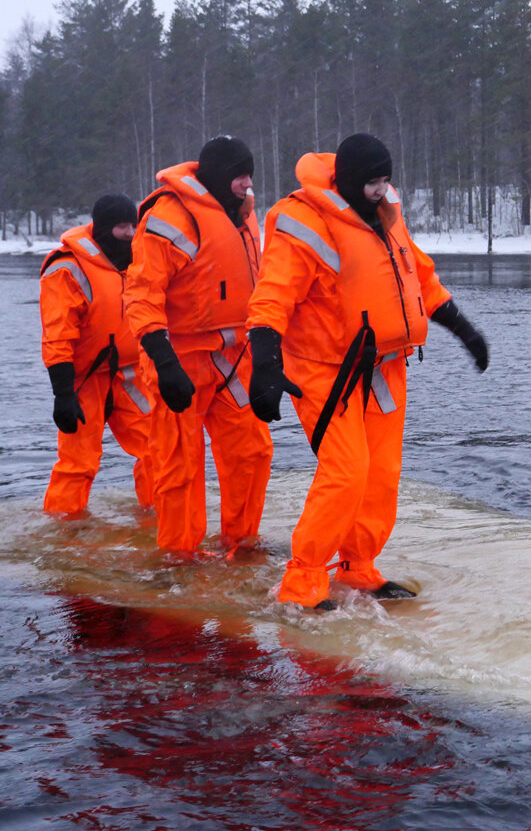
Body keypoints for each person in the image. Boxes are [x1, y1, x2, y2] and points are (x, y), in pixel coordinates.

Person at [247, 133, 489, 610]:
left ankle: (358, 567)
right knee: (346, 471)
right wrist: (265, 364)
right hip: (323, 370)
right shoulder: (303, 221)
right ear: (351, 180)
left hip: (383, 365)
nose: (380, 190)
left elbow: (419, 276)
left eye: (386, 180)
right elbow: (272, 296)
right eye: (372, 182)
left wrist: (463, 329)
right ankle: (303, 580)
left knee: (381, 474)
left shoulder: (386, 214)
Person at [124, 136, 274, 556]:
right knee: (179, 464)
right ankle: (179, 556)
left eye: (250, 175)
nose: (248, 184)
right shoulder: (170, 216)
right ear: (221, 176)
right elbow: (141, 294)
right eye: (241, 176)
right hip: (178, 360)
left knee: (252, 453)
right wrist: (163, 360)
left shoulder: (244, 215)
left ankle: (241, 543)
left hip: (232, 358)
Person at [40, 194, 155, 515]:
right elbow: (57, 334)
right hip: (82, 381)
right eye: (122, 227)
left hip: (130, 375)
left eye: (133, 225)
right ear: (104, 228)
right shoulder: (66, 268)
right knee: (79, 463)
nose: (131, 233)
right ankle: (64, 533)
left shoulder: (137, 260)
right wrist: (62, 394)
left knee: (158, 448)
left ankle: (159, 521)